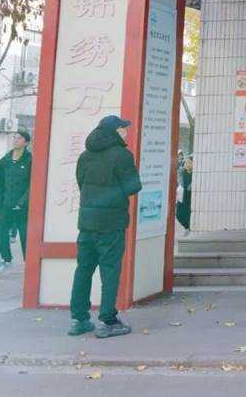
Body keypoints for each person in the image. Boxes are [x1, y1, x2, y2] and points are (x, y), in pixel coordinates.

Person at [68, 116, 142, 338]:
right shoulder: (122, 155)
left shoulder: (85, 156)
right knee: (110, 271)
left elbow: (81, 183)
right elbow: (133, 186)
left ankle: (79, 319)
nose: (126, 132)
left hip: (87, 222)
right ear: (115, 131)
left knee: (84, 269)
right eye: (123, 128)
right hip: (111, 223)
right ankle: (108, 320)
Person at [0, 131, 32, 274]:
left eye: (19, 138)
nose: (15, 140)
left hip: (23, 207)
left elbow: (32, 184)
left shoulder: (30, 160)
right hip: (6, 204)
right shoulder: (5, 160)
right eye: (14, 137)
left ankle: (29, 263)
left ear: (26, 142)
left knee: (25, 235)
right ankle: (6, 260)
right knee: (2, 232)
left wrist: (22, 202)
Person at [176, 155, 193, 235]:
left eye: (190, 162)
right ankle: (186, 227)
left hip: (190, 196)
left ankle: (188, 228)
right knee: (179, 214)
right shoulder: (181, 171)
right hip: (182, 195)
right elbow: (179, 181)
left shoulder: (195, 173)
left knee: (188, 214)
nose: (187, 164)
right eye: (187, 162)